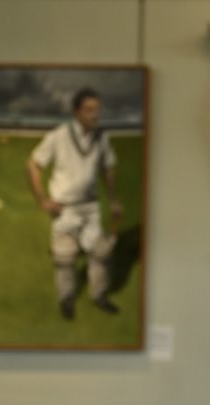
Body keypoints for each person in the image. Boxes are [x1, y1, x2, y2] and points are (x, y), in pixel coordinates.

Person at [28, 87, 122, 320]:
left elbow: (108, 166)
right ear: (76, 111)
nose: (95, 115)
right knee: (64, 257)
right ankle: (66, 298)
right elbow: (33, 164)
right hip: (64, 208)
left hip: (90, 206)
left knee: (100, 253)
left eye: (97, 109)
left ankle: (98, 295)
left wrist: (112, 198)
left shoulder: (102, 137)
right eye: (89, 110)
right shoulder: (58, 136)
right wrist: (42, 200)